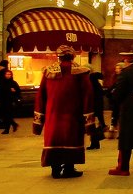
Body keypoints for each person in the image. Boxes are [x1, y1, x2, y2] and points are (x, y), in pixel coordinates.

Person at [33, 46, 95, 177]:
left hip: (53, 115)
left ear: (58, 56)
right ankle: (68, 168)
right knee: (71, 138)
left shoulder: (48, 72)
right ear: (73, 56)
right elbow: (88, 96)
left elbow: (40, 96)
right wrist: (89, 121)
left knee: (54, 139)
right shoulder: (81, 72)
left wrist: (38, 122)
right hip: (73, 115)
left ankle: (55, 169)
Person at [87, 71, 105, 150]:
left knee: (93, 127)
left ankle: (94, 143)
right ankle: (96, 143)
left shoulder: (92, 86)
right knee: (96, 126)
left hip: (94, 109)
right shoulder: (98, 85)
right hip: (99, 109)